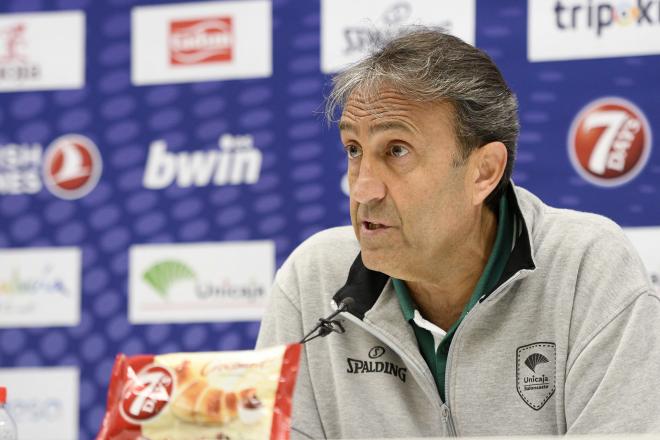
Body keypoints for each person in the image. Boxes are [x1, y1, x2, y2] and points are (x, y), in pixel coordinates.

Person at [256, 28, 660, 438]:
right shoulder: (312, 281)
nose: (362, 189)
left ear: (483, 172)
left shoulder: (587, 269)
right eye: (354, 150)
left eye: (396, 151)